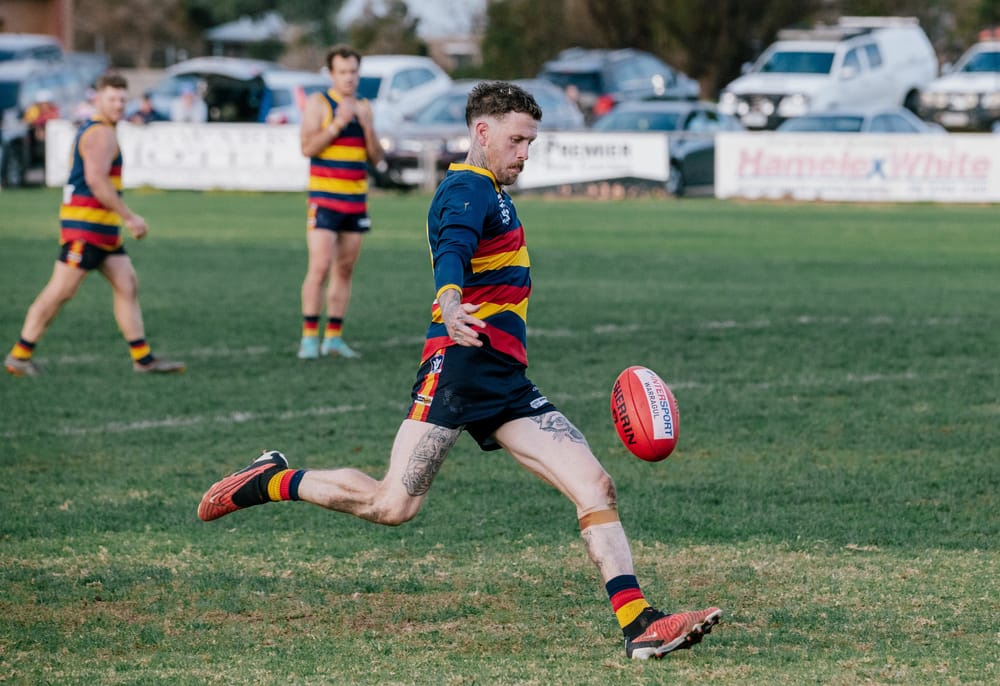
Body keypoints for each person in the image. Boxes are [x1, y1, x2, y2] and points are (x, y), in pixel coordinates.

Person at [198, 81, 721, 660]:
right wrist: (449, 301)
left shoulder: (493, 190)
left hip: (504, 381)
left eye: (532, 142)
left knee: (595, 485)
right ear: (483, 132)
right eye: (518, 140)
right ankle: (271, 479)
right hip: (458, 366)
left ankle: (640, 625)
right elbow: (451, 248)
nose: (526, 152)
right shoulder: (466, 189)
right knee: (391, 505)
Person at [4, 73, 185, 377]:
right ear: (97, 99)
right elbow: (96, 180)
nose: (118, 105)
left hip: (103, 230)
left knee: (126, 284)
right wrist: (130, 216)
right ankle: (19, 355)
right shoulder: (101, 133)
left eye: (123, 99)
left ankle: (143, 359)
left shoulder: (100, 130)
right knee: (60, 291)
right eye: (112, 99)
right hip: (86, 229)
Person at [296, 44, 384, 360]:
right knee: (319, 266)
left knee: (345, 269)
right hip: (324, 199)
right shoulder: (319, 104)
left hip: (355, 201)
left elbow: (376, 157)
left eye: (353, 72)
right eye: (343, 72)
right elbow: (307, 146)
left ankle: (333, 336)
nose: (349, 78)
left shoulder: (364, 107)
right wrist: (336, 124)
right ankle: (309, 337)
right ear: (331, 74)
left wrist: (367, 126)